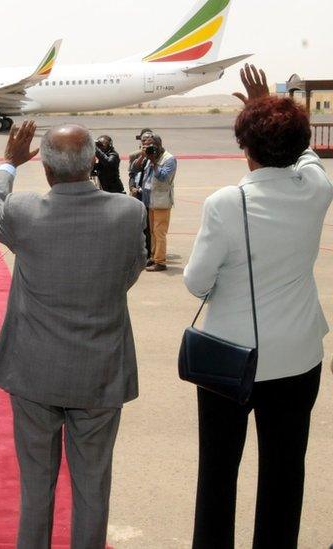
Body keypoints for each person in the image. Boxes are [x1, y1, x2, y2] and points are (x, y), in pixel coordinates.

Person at [0, 121, 147, 549]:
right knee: (92, 488)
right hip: (100, 374)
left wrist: (9, 166)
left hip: (35, 373)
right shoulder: (129, 213)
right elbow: (132, 269)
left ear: (47, 170)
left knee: (36, 489)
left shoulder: (23, 211)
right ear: (93, 162)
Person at [183, 64, 331, 549]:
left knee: (219, 474)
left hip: (231, 359)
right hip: (299, 357)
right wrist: (269, 105)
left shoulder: (227, 202)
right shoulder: (316, 187)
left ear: (245, 150)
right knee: (285, 474)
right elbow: (305, 154)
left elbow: (196, 282)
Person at [131, 133, 177, 271]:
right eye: (145, 145)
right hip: (149, 199)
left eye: (151, 145)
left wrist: (153, 161)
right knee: (151, 232)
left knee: (159, 232)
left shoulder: (169, 159)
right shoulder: (148, 156)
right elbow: (134, 169)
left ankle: (160, 262)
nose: (148, 148)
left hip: (161, 200)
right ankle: (153, 257)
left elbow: (163, 177)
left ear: (158, 145)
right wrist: (143, 156)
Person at [128, 128, 154, 257]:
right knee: (137, 223)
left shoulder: (157, 154)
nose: (146, 144)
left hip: (150, 194)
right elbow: (132, 173)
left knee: (149, 225)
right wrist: (132, 187)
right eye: (144, 141)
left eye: (149, 142)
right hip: (137, 192)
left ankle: (149, 251)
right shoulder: (135, 155)